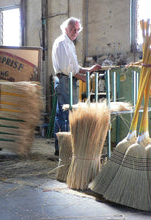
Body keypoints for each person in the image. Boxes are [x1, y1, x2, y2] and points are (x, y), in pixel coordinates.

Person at [52, 17, 101, 156]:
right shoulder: (62, 42)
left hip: (69, 80)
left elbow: (74, 67)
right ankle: (62, 148)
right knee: (65, 115)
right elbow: (66, 69)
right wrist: (80, 77)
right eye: (73, 29)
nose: (75, 32)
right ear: (66, 28)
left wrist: (89, 69)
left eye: (78, 30)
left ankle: (67, 147)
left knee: (70, 114)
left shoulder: (69, 43)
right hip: (64, 80)